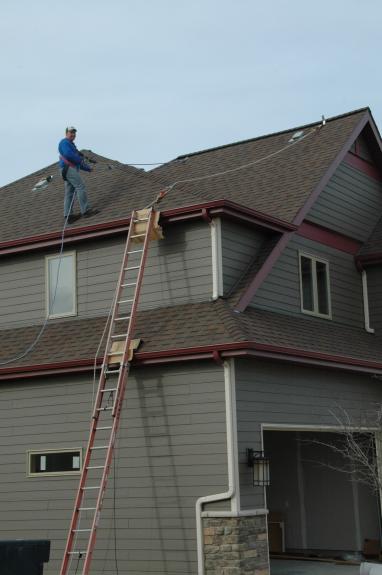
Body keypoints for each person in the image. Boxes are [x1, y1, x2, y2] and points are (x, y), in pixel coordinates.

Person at [58, 127, 99, 223]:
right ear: (66, 133)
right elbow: (68, 155)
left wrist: (88, 168)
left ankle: (68, 216)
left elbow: (77, 162)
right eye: (71, 132)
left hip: (67, 169)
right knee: (80, 186)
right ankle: (86, 211)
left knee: (70, 192)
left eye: (74, 133)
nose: (73, 134)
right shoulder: (64, 142)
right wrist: (80, 159)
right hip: (68, 168)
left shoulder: (72, 146)